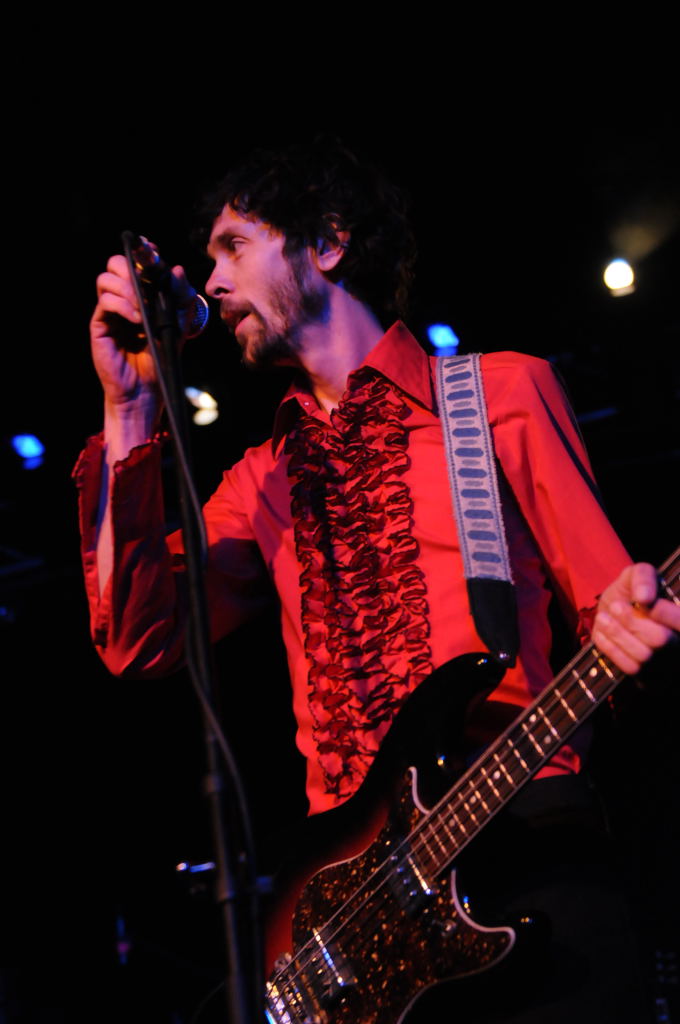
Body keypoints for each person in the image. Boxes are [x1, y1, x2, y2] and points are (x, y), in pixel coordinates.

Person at [75, 139, 678, 1022]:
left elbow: (612, 607)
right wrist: (129, 409)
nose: (212, 282)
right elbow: (136, 637)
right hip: (356, 918)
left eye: (234, 246)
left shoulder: (499, 394)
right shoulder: (261, 480)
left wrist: (634, 625)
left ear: (327, 242)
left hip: (529, 844)